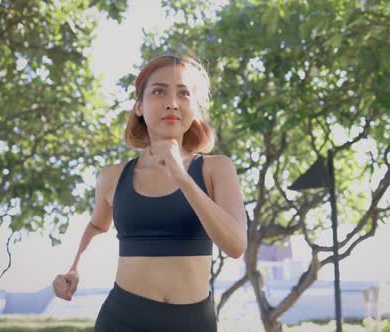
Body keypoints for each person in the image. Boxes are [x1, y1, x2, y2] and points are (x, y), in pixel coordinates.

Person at [52, 54, 248, 331]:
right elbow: (97, 225)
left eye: (184, 93)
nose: (171, 102)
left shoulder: (216, 168)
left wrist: (181, 176)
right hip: (122, 319)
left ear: (194, 108)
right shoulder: (112, 176)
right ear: (139, 107)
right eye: (159, 91)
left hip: (192, 322)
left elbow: (236, 245)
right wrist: (74, 267)